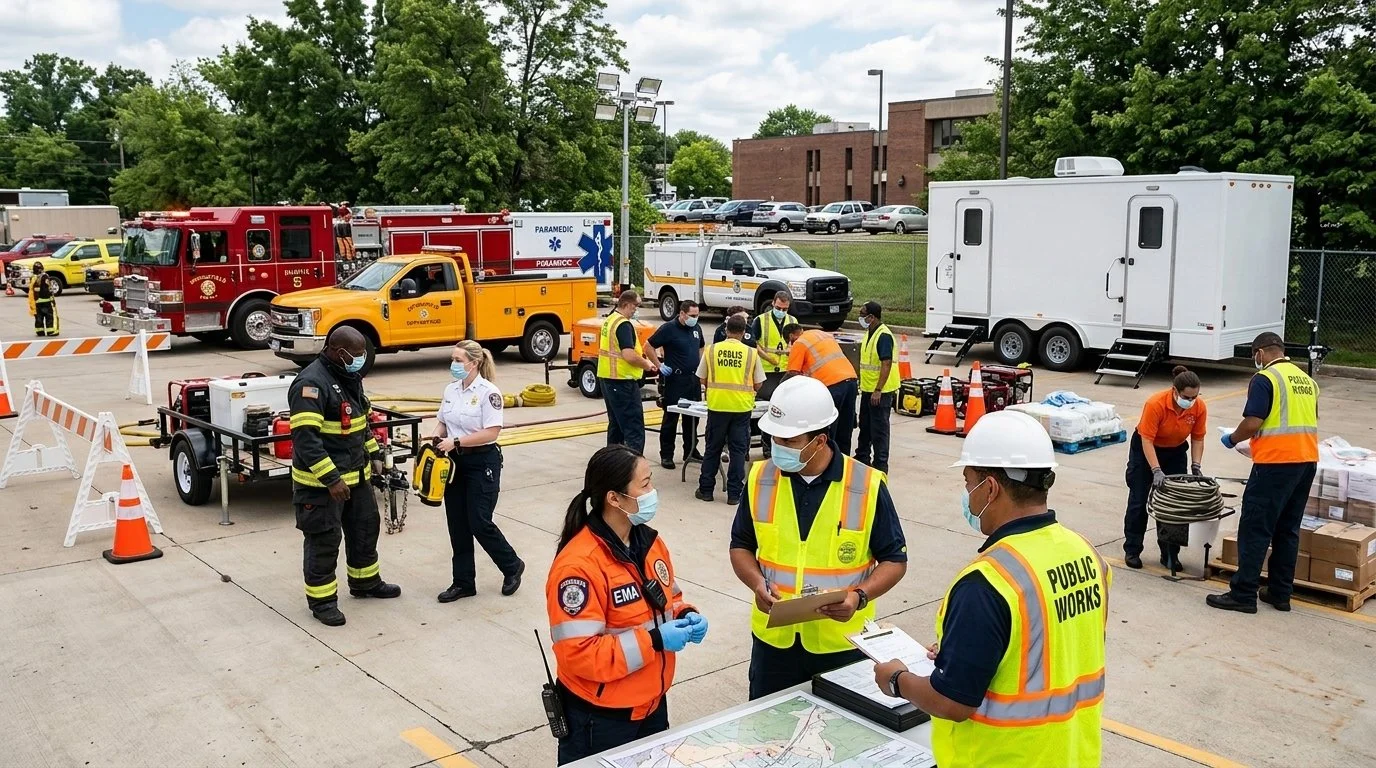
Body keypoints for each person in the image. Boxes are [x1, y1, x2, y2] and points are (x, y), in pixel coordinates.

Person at [874, 410, 1111, 768]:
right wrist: (969, 651)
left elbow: (953, 702)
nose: (967, 495)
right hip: (1072, 755)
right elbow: (1055, 644)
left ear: (990, 488)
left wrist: (896, 678)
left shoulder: (987, 582)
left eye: (968, 482)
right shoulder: (1087, 554)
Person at [730, 376, 908, 699]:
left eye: (789, 441)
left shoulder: (866, 485)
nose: (777, 448)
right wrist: (757, 583)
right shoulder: (760, 478)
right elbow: (740, 546)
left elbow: (895, 560)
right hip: (774, 646)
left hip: (841, 646)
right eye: (774, 438)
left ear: (820, 441)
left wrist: (859, 597)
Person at [547, 445, 709, 764]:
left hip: (651, 705)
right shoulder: (579, 567)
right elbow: (579, 654)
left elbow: (668, 599)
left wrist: (686, 614)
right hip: (602, 720)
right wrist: (655, 641)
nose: (653, 492)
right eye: (645, 484)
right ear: (614, 498)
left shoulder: (649, 543)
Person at [288, 326, 400, 626]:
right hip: (321, 486)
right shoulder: (310, 384)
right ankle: (322, 602)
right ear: (340, 352)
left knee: (365, 531)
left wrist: (375, 454)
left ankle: (365, 583)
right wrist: (332, 480)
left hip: (357, 479)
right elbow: (306, 440)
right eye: (358, 354)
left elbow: (360, 423)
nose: (361, 359)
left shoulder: (348, 377)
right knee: (324, 542)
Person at [1210, 332, 1320, 613]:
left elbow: (1253, 422)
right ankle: (1280, 593)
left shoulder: (1265, 379)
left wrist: (1233, 439)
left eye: (1254, 355)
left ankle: (1243, 593)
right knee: (1287, 529)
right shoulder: (1307, 381)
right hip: (1306, 461)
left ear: (1260, 352)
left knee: (1255, 528)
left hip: (1275, 465)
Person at [432, 340, 524, 603]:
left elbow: (491, 432)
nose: (454, 364)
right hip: (454, 464)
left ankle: (511, 565)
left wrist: (457, 442)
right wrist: (437, 436)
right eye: (453, 359)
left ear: (474, 363)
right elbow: (442, 420)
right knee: (457, 524)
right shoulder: (451, 390)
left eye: (458, 360)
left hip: (482, 463)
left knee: (479, 521)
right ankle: (463, 582)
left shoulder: (488, 393)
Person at [1121, 365, 1207, 570]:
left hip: (1175, 451)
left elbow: (1197, 438)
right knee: (1139, 500)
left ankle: (1170, 554)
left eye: (1195, 396)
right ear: (1175, 391)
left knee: (1173, 504)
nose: (1191, 401)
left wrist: (1196, 465)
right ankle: (1132, 550)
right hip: (1145, 450)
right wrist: (1156, 470)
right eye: (1187, 397)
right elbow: (1147, 440)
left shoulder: (1198, 407)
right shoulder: (1155, 404)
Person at [694, 314, 765, 505]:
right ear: (743, 333)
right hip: (741, 409)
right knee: (738, 451)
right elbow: (759, 384)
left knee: (712, 449)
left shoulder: (711, 350)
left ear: (726, 331)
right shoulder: (751, 353)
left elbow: (701, 378)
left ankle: (706, 490)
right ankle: (735, 494)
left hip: (717, 407)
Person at [598, 290, 661, 455]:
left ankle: (612, 463)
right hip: (622, 381)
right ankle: (633, 468)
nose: (636, 310)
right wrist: (647, 364)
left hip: (607, 379)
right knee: (633, 428)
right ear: (626, 304)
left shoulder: (610, 320)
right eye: (635, 306)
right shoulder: (623, 324)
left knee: (616, 426)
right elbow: (629, 355)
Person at [783, 324, 860, 456]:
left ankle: (828, 463)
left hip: (832, 385)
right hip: (851, 381)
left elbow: (793, 375)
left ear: (791, 337)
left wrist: (780, 390)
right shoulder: (821, 334)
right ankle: (843, 463)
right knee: (845, 429)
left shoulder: (799, 343)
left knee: (829, 429)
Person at [648, 300, 705, 470]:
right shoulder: (669, 328)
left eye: (697, 315)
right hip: (675, 380)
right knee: (671, 419)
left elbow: (701, 347)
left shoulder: (696, 328)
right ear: (682, 313)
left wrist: (700, 367)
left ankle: (691, 450)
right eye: (692, 315)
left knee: (693, 418)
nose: (695, 318)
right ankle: (666, 454)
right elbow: (648, 346)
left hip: (692, 380)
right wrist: (659, 365)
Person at [855, 301, 899, 473]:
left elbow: (886, 363)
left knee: (879, 430)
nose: (860, 317)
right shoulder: (869, 333)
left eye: (862, 313)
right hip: (868, 389)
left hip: (880, 392)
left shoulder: (883, 335)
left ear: (871, 317)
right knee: (865, 426)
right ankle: (863, 457)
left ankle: (880, 464)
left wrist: (878, 390)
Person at [752, 292, 795, 458]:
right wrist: (768, 357)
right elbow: (754, 344)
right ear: (773, 304)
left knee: (783, 410)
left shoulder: (792, 321)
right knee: (766, 409)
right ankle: (766, 446)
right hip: (767, 371)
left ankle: (782, 445)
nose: (781, 311)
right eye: (778, 308)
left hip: (785, 370)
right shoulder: (761, 320)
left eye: (785, 309)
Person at [28, 262, 58, 337]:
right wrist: (52, 298)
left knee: (39, 317)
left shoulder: (32, 277)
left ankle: (40, 331)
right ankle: (51, 331)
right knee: (50, 316)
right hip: (47, 301)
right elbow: (48, 288)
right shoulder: (45, 276)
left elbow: (31, 290)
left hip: (36, 301)